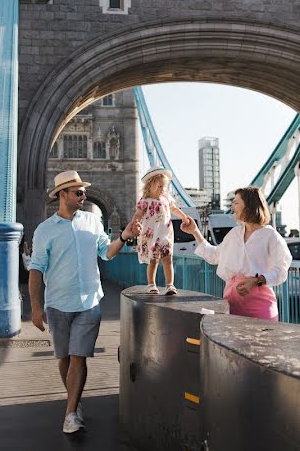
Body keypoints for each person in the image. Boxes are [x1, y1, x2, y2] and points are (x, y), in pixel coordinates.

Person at [24, 170, 142, 434]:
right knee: (64, 358)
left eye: (83, 191)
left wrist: (123, 236)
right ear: (62, 195)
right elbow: (36, 270)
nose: (83, 195)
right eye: (77, 192)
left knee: (79, 357)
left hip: (89, 301)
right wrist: (35, 307)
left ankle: (70, 415)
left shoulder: (91, 221)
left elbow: (107, 253)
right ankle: (74, 402)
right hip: (57, 303)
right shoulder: (45, 230)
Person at [180, 186, 291, 321]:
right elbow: (214, 255)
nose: (232, 206)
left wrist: (255, 281)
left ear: (249, 206)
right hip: (231, 304)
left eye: (236, 202)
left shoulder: (271, 235)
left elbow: (281, 270)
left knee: (262, 341)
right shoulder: (234, 234)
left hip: (260, 305)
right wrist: (195, 231)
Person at [132, 166, 191, 296]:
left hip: (165, 234)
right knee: (153, 260)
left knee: (168, 259)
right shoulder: (145, 201)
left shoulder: (166, 199)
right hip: (151, 234)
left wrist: (184, 217)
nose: (162, 189)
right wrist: (136, 222)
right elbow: (138, 214)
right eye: (159, 186)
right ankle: (151, 284)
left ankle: (170, 285)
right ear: (149, 186)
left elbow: (174, 209)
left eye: (164, 187)